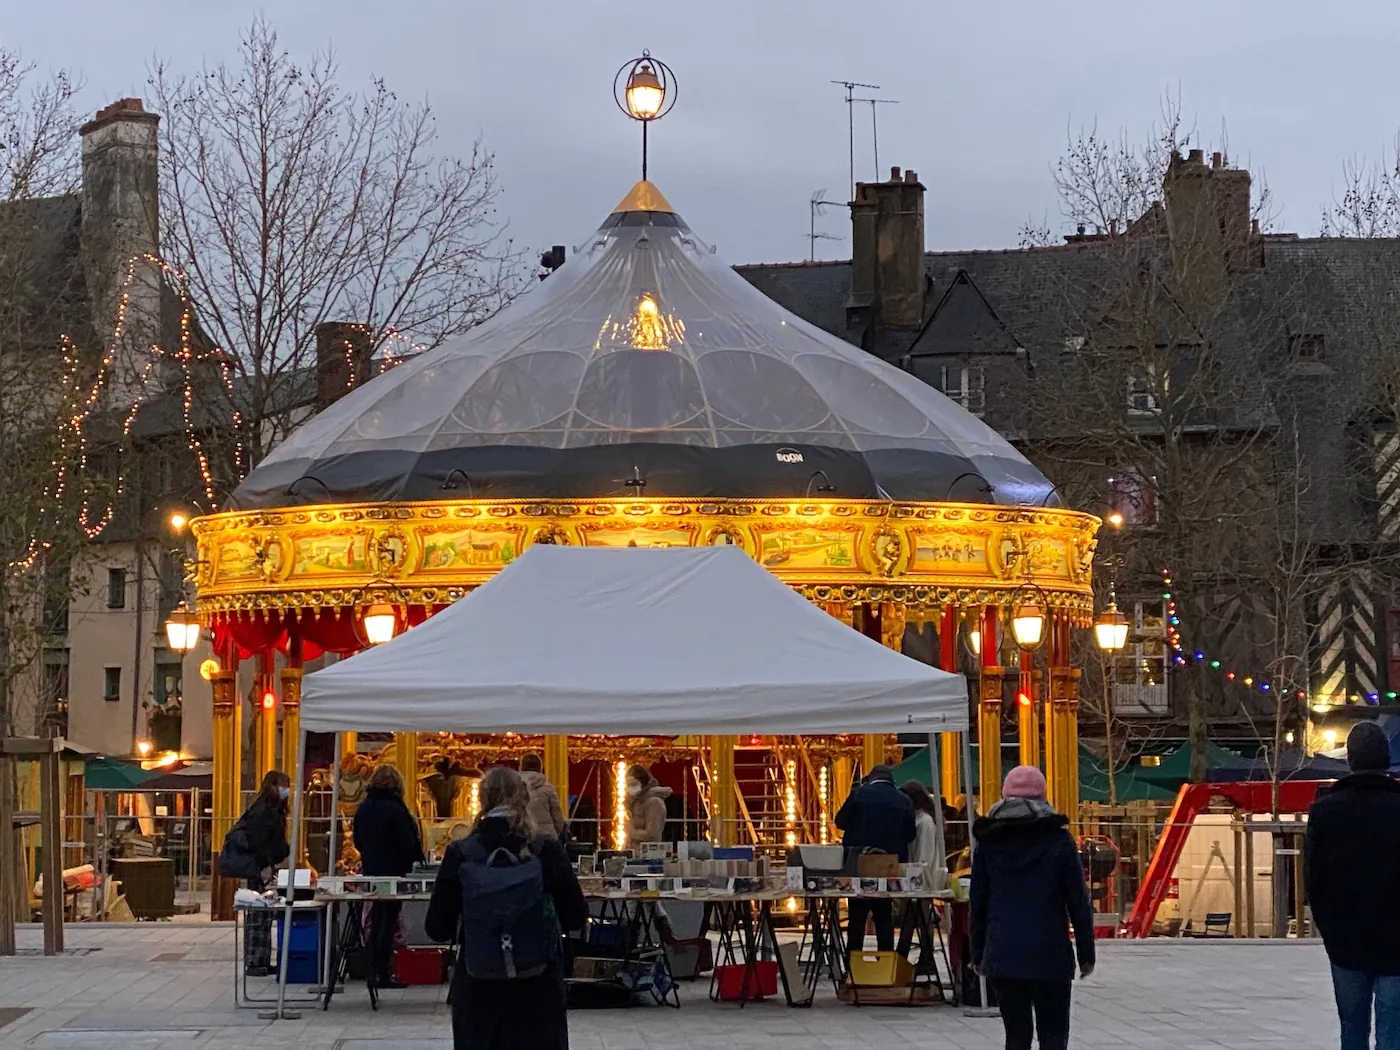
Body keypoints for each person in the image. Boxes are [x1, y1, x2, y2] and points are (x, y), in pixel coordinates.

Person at [425, 766, 586, 1050]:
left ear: (482, 801)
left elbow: (436, 927)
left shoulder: (461, 852)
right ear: (523, 798)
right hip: (537, 986)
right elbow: (575, 915)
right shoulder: (545, 849)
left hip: (478, 985)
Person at [970, 765, 1094, 1050]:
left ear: (1004, 796)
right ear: (1043, 797)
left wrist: (978, 952)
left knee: (1016, 1034)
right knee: (1053, 1034)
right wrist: (1086, 953)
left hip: (1003, 952)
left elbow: (979, 902)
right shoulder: (1059, 840)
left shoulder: (988, 843)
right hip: (1050, 953)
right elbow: (1078, 900)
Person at [1305, 720, 1400, 1050]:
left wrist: (1329, 927)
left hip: (1345, 940)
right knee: (1393, 1031)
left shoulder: (1325, 810)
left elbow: (1313, 878)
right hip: (1395, 941)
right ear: (1387, 760)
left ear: (1350, 760)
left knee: (1352, 1029)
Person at [353, 765, 426, 990]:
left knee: (376, 920)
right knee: (387, 921)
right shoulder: (397, 809)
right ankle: (382, 972)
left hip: (371, 870)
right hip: (393, 871)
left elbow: (357, 840)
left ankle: (374, 968)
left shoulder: (364, 808)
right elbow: (407, 841)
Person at [835, 763, 915, 953]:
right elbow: (910, 834)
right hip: (888, 864)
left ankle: (853, 964)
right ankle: (885, 961)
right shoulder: (904, 800)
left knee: (857, 915)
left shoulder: (858, 794)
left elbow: (840, 822)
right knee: (884, 914)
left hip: (858, 862)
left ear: (870, 778)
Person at [225, 770, 291, 976]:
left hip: (263, 865)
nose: (285, 790)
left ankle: (259, 959)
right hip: (259, 867)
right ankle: (256, 961)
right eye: (282, 785)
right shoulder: (264, 811)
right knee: (259, 913)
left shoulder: (268, 809)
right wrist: (266, 865)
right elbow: (261, 842)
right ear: (272, 786)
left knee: (262, 914)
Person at [519, 753, 568, 839]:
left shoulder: (513, 787)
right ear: (540, 767)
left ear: (521, 767)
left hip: (522, 834)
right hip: (545, 834)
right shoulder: (548, 788)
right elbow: (557, 817)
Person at [625, 765, 671, 846]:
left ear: (642, 782)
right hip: (635, 851)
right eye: (628, 784)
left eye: (633, 784)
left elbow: (653, 835)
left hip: (648, 853)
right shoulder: (636, 801)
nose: (630, 787)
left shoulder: (655, 802)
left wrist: (632, 832)